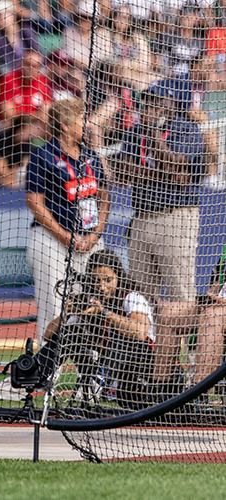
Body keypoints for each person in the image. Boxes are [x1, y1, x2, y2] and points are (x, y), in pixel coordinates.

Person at [0, 97, 110, 401]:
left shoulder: (90, 156)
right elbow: (34, 202)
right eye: (81, 119)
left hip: (90, 243)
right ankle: (39, 378)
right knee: (54, 310)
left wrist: (95, 234)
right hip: (52, 242)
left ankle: (90, 381)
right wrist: (66, 236)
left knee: (91, 310)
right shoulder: (43, 156)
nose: (86, 124)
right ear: (66, 125)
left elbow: (104, 195)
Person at [118, 85, 206, 401]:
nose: (151, 107)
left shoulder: (186, 129)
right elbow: (124, 171)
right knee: (142, 296)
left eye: (157, 102)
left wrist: (156, 149)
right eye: (147, 102)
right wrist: (158, 169)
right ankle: (152, 373)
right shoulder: (133, 131)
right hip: (142, 217)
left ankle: (196, 373)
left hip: (177, 216)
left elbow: (181, 172)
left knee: (183, 297)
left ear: (170, 103)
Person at [39, 250, 155, 409]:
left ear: (118, 276)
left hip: (140, 368)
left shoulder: (132, 297)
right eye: (97, 281)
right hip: (106, 364)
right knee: (71, 332)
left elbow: (140, 332)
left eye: (108, 280)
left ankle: (97, 382)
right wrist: (67, 314)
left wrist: (104, 313)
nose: (102, 287)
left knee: (124, 336)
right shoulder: (89, 301)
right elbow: (47, 336)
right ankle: (34, 373)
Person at [192, 243, 226, 393]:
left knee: (212, 316)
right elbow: (216, 286)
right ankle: (161, 389)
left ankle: (200, 393)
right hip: (218, 306)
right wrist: (207, 298)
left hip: (219, 312)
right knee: (169, 313)